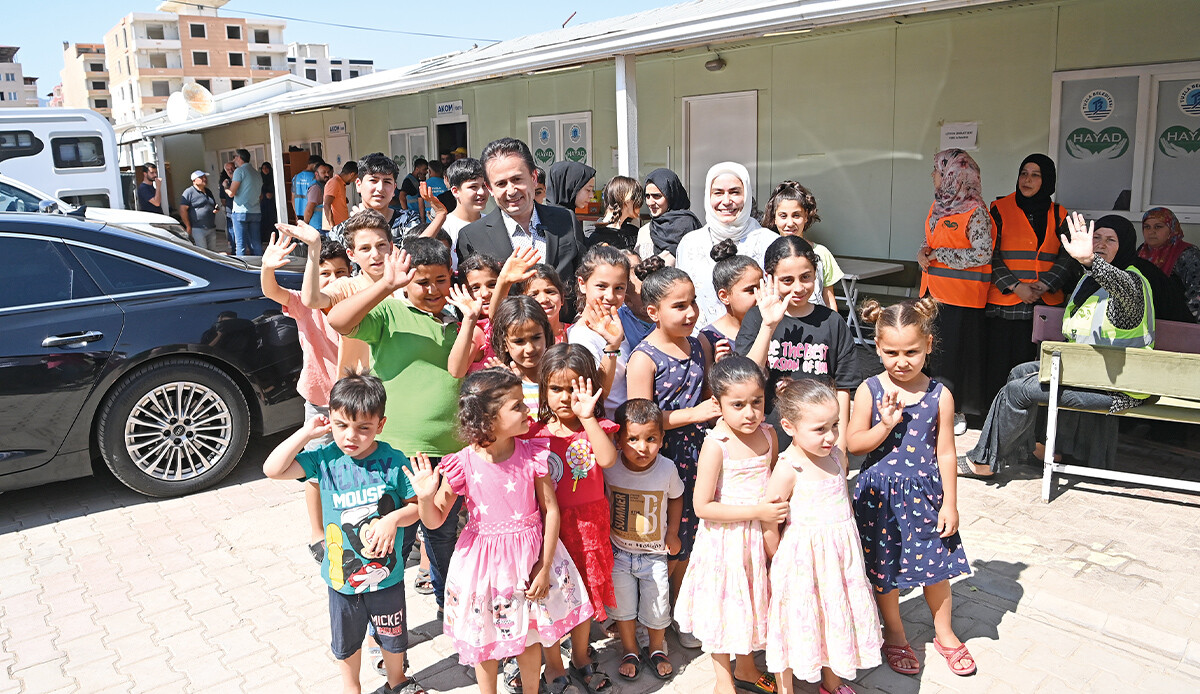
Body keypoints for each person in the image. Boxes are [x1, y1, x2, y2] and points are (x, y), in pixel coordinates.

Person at [404, 368, 593, 694]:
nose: (527, 410)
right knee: (486, 640)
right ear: (489, 419)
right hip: (485, 569)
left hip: (530, 561)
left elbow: (551, 512)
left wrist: (545, 566)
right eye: (517, 405)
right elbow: (434, 520)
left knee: (530, 636)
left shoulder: (533, 455)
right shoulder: (461, 464)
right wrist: (424, 498)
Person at [326, 236, 466, 617]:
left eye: (441, 279)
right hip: (396, 454)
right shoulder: (389, 313)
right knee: (387, 542)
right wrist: (386, 285)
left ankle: (450, 614)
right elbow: (338, 319)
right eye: (423, 281)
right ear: (407, 281)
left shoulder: (460, 319)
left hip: (449, 454)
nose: (434, 289)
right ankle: (380, 631)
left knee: (443, 541)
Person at [262, 372, 427, 694]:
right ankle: (352, 687)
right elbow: (273, 469)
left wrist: (392, 519)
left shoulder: (391, 461)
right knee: (347, 640)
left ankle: (398, 681)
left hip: (387, 576)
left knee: (392, 634)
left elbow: (418, 507)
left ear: (380, 424)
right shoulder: (324, 460)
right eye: (341, 425)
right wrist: (306, 433)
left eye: (363, 428)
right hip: (340, 579)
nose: (351, 436)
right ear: (331, 421)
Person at [960, 213, 1158, 477]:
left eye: (1111, 240)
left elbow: (1117, 282)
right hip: (1093, 375)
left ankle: (983, 462)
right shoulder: (1089, 282)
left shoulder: (1131, 282)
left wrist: (1089, 260)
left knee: (1017, 390)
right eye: (1096, 237)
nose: (1100, 244)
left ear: (1126, 247)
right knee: (1019, 372)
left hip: (1120, 389)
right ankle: (1041, 450)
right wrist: (1090, 266)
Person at [846, 297, 974, 678]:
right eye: (891, 352)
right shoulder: (870, 389)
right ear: (877, 347)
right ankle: (896, 633)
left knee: (937, 568)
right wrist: (884, 424)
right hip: (879, 499)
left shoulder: (940, 395)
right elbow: (854, 444)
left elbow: (947, 453)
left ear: (929, 346)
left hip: (926, 497)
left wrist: (950, 503)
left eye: (911, 352)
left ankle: (945, 633)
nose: (901, 361)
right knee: (885, 570)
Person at [763, 379, 882, 694]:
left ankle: (832, 682)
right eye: (819, 430)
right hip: (802, 563)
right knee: (794, 621)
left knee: (833, 618)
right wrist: (778, 557)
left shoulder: (835, 455)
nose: (830, 436)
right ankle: (785, 687)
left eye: (834, 426)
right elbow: (769, 521)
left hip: (839, 562)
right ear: (789, 426)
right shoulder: (789, 468)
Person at [674, 356, 783, 694]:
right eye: (738, 405)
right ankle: (724, 680)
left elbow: (775, 480)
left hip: (759, 539)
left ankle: (747, 667)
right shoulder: (716, 445)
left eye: (757, 402)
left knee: (749, 604)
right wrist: (759, 511)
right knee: (724, 608)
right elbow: (703, 506)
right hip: (726, 542)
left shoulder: (769, 434)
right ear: (718, 403)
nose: (749, 413)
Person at [626, 259, 720, 630]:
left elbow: (709, 397)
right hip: (664, 460)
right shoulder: (643, 359)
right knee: (668, 538)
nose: (691, 312)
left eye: (693, 302)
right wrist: (693, 415)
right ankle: (655, 617)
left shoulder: (699, 344)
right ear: (653, 311)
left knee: (693, 534)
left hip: (701, 454)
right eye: (679, 306)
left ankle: (681, 607)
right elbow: (640, 422)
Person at [526, 345, 618, 694]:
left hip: (589, 526)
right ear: (543, 388)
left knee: (586, 595)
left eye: (574, 388)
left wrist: (588, 417)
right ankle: (553, 666)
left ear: (590, 386)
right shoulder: (532, 434)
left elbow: (607, 461)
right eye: (557, 389)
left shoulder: (595, 427)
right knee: (549, 598)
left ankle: (580, 656)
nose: (565, 398)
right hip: (549, 529)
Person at [738, 236, 859, 450]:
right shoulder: (757, 317)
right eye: (787, 280)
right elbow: (747, 377)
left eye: (806, 277)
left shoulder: (832, 321)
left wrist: (840, 446)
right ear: (770, 277)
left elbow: (843, 388)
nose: (798, 287)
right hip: (766, 435)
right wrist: (769, 325)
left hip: (819, 438)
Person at [982, 154, 1072, 404]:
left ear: (1048, 180)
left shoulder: (1059, 213)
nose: (1027, 180)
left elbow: (1068, 256)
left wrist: (1045, 284)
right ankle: (998, 414)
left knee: (1034, 367)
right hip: (1006, 302)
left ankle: (1033, 422)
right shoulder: (998, 209)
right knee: (1000, 362)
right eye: (1024, 173)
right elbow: (990, 253)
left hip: (1044, 302)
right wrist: (1015, 286)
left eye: (1036, 175)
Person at [604, 399, 683, 681]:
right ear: (618, 439)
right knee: (623, 606)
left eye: (651, 438)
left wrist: (672, 533)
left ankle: (656, 648)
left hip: (655, 554)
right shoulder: (610, 467)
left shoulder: (666, 468)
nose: (642, 447)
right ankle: (629, 649)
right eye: (633, 438)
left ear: (661, 439)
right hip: (619, 552)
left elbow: (675, 498)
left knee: (658, 603)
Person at [917, 148, 995, 431]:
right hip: (932, 294)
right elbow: (930, 242)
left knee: (954, 357)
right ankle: (930, 406)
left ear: (954, 176)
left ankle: (956, 412)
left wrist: (939, 255)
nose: (933, 176)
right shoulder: (938, 206)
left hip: (961, 298)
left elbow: (982, 253)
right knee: (932, 354)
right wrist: (923, 254)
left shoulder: (976, 212)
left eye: (937, 171)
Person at [457, 138, 585, 303]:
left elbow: (584, 280)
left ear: (533, 178)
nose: (511, 191)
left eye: (517, 179)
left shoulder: (566, 221)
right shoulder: (472, 236)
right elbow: (472, 299)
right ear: (490, 188)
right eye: (501, 184)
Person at [676, 162, 778, 327]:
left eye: (734, 192)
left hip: (757, 342)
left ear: (747, 195)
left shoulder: (769, 243)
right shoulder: (690, 244)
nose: (726, 201)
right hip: (700, 342)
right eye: (718, 193)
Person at [567, 245, 632, 413]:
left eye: (619, 288)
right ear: (582, 284)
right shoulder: (581, 336)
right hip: (606, 427)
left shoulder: (620, 321)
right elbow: (596, 395)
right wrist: (612, 348)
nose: (610, 296)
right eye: (601, 286)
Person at [761, 180, 843, 310]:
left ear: (806, 216)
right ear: (774, 218)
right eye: (783, 216)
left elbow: (829, 299)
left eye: (796, 215)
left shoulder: (821, 253)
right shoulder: (764, 251)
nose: (790, 223)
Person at [490, 248, 572, 346]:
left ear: (562, 298)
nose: (543, 299)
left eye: (550, 292)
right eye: (534, 295)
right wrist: (503, 281)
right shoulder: (518, 337)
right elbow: (497, 319)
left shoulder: (575, 332)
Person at [701, 239, 763, 354]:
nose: (760, 295)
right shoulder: (710, 339)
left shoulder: (768, 327)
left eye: (763, 286)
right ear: (724, 296)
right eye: (751, 290)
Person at [1139, 206, 1200, 322]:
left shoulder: (1188, 254)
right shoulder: (1142, 252)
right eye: (1147, 227)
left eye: (1158, 227)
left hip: (1177, 322)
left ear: (1171, 229)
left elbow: (1196, 294)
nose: (1151, 232)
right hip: (1145, 321)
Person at [635, 168, 702, 262]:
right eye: (647, 196)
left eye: (656, 196)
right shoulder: (645, 231)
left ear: (671, 195)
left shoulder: (687, 225)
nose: (650, 202)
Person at [225, 148, 263, 256]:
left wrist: (225, 188)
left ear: (239, 158)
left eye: (235, 157)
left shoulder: (240, 171)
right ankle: (259, 266)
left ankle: (241, 268)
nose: (234, 160)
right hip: (255, 210)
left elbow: (232, 193)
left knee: (241, 244)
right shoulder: (256, 173)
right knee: (256, 243)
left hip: (241, 211)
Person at [588, 176, 643, 250]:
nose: (640, 204)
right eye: (637, 199)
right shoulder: (593, 234)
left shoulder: (634, 232)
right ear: (627, 200)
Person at [547, 161, 597, 240]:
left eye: (592, 190)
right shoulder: (561, 220)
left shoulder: (552, 215)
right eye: (588, 190)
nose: (591, 196)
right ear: (571, 187)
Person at [179, 170, 218, 251]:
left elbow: (212, 205)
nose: (204, 179)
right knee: (203, 251)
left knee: (213, 252)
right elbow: (183, 210)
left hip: (211, 227)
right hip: (198, 228)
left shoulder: (208, 191)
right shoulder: (189, 192)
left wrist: (216, 209)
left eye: (205, 177)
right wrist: (188, 226)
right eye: (201, 177)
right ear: (194, 180)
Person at [324, 160, 359, 230]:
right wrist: (332, 227)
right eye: (355, 178)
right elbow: (327, 204)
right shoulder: (334, 182)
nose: (354, 181)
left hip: (342, 224)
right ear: (352, 174)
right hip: (336, 227)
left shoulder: (341, 183)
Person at [291, 154, 322, 222]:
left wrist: (296, 215)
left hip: (299, 214)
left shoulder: (296, 177)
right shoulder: (315, 178)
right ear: (315, 165)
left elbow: (293, 198)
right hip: (311, 215)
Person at [305, 162, 334, 229]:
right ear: (316, 174)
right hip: (317, 227)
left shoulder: (324, 186)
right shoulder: (316, 188)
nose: (327, 174)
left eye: (328, 172)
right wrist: (305, 226)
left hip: (323, 226)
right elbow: (309, 209)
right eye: (323, 172)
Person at [259, 162, 277, 247]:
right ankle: (265, 238)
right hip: (263, 203)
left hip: (272, 203)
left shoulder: (274, 178)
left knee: (272, 220)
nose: (265, 170)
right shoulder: (260, 178)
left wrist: (272, 195)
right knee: (264, 219)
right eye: (263, 168)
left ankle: (274, 237)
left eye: (266, 168)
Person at [219, 160, 235, 249]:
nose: (230, 170)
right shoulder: (224, 183)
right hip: (230, 211)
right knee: (231, 231)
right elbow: (223, 199)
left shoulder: (239, 180)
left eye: (232, 168)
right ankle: (233, 247)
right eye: (228, 169)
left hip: (241, 211)